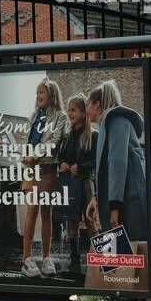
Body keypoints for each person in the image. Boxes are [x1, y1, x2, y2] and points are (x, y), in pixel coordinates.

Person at [86, 80, 149, 243]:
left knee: (130, 261)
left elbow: (117, 164)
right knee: (121, 264)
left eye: (88, 105)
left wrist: (114, 210)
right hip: (125, 205)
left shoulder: (116, 121)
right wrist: (95, 198)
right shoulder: (110, 124)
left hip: (127, 207)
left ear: (97, 105)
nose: (86, 110)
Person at [18, 78, 66, 277]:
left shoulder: (60, 116)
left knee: (47, 213)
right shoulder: (34, 116)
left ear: (51, 94)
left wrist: (34, 156)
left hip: (47, 168)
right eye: (37, 93)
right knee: (31, 211)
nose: (38, 96)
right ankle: (27, 259)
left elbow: (54, 142)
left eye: (41, 92)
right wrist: (25, 155)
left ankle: (46, 258)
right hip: (32, 169)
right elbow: (26, 139)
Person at [56, 93, 98, 281]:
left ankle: (98, 258)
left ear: (82, 112)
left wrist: (80, 167)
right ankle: (74, 259)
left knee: (90, 220)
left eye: (73, 110)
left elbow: (96, 161)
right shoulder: (67, 135)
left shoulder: (93, 135)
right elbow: (61, 157)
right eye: (68, 110)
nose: (69, 113)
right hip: (71, 184)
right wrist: (62, 164)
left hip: (86, 182)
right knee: (72, 220)